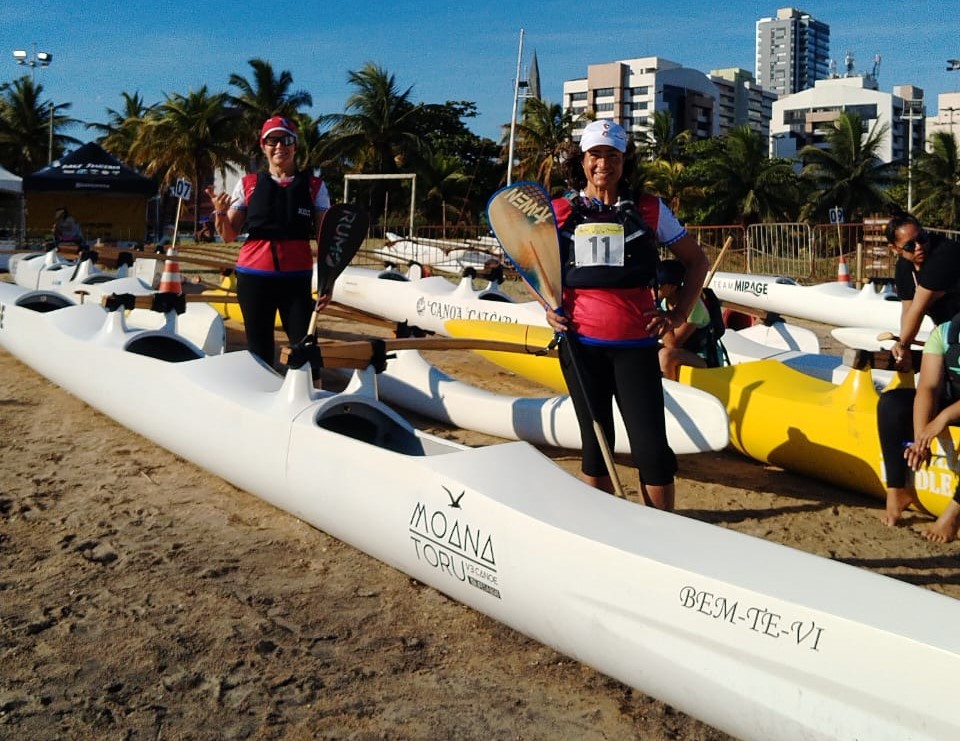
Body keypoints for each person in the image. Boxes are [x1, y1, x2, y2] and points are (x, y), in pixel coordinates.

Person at [544, 120, 709, 510]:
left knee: (652, 451)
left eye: (613, 156)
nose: (604, 164)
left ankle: (661, 532)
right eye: (595, 155)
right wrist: (548, 308)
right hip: (580, 346)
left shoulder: (649, 208)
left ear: (624, 161)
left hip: (635, 345)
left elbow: (697, 261)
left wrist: (679, 312)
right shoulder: (561, 210)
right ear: (582, 160)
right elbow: (532, 264)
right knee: (596, 447)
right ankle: (598, 531)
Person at [205, 116, 331, 366]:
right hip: (254, 278)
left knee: (306, 346)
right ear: (263, 146)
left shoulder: (315, 187)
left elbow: (326, 238)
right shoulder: (248, 184)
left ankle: (310, 395)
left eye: (286, 140)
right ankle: (261, 394)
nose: (280, 146)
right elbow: (229, 235)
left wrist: (329, 281)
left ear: (295, 145)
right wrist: (219, 212)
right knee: (259, 347)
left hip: (296, 279)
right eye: (272, 140)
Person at [877, 313, 960, 542]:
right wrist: (920, 437)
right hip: (952, 401)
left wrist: (941, 419)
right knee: (892, 404)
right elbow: (928, 388)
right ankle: (897, 490)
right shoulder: (945, 333)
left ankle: (954, 513)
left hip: (950, 411)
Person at [885, 208, 960, 373]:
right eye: (910, 246)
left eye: (922, 238)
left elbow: (918, 308)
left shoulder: (943, 254)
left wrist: (903, 344)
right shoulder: (903, 267)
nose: (919, 247)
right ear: (895, 249)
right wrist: (904, 347)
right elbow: (908, 310)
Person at [656, 259, 725, 381]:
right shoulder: (664, 303)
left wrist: (656, 314)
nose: (653, 290)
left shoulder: (693, 305)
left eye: (658, 285)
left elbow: (673, 344)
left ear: (672, 287)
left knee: (665, 356)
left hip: (706, 359)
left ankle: (670, 397)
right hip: (685, 353)